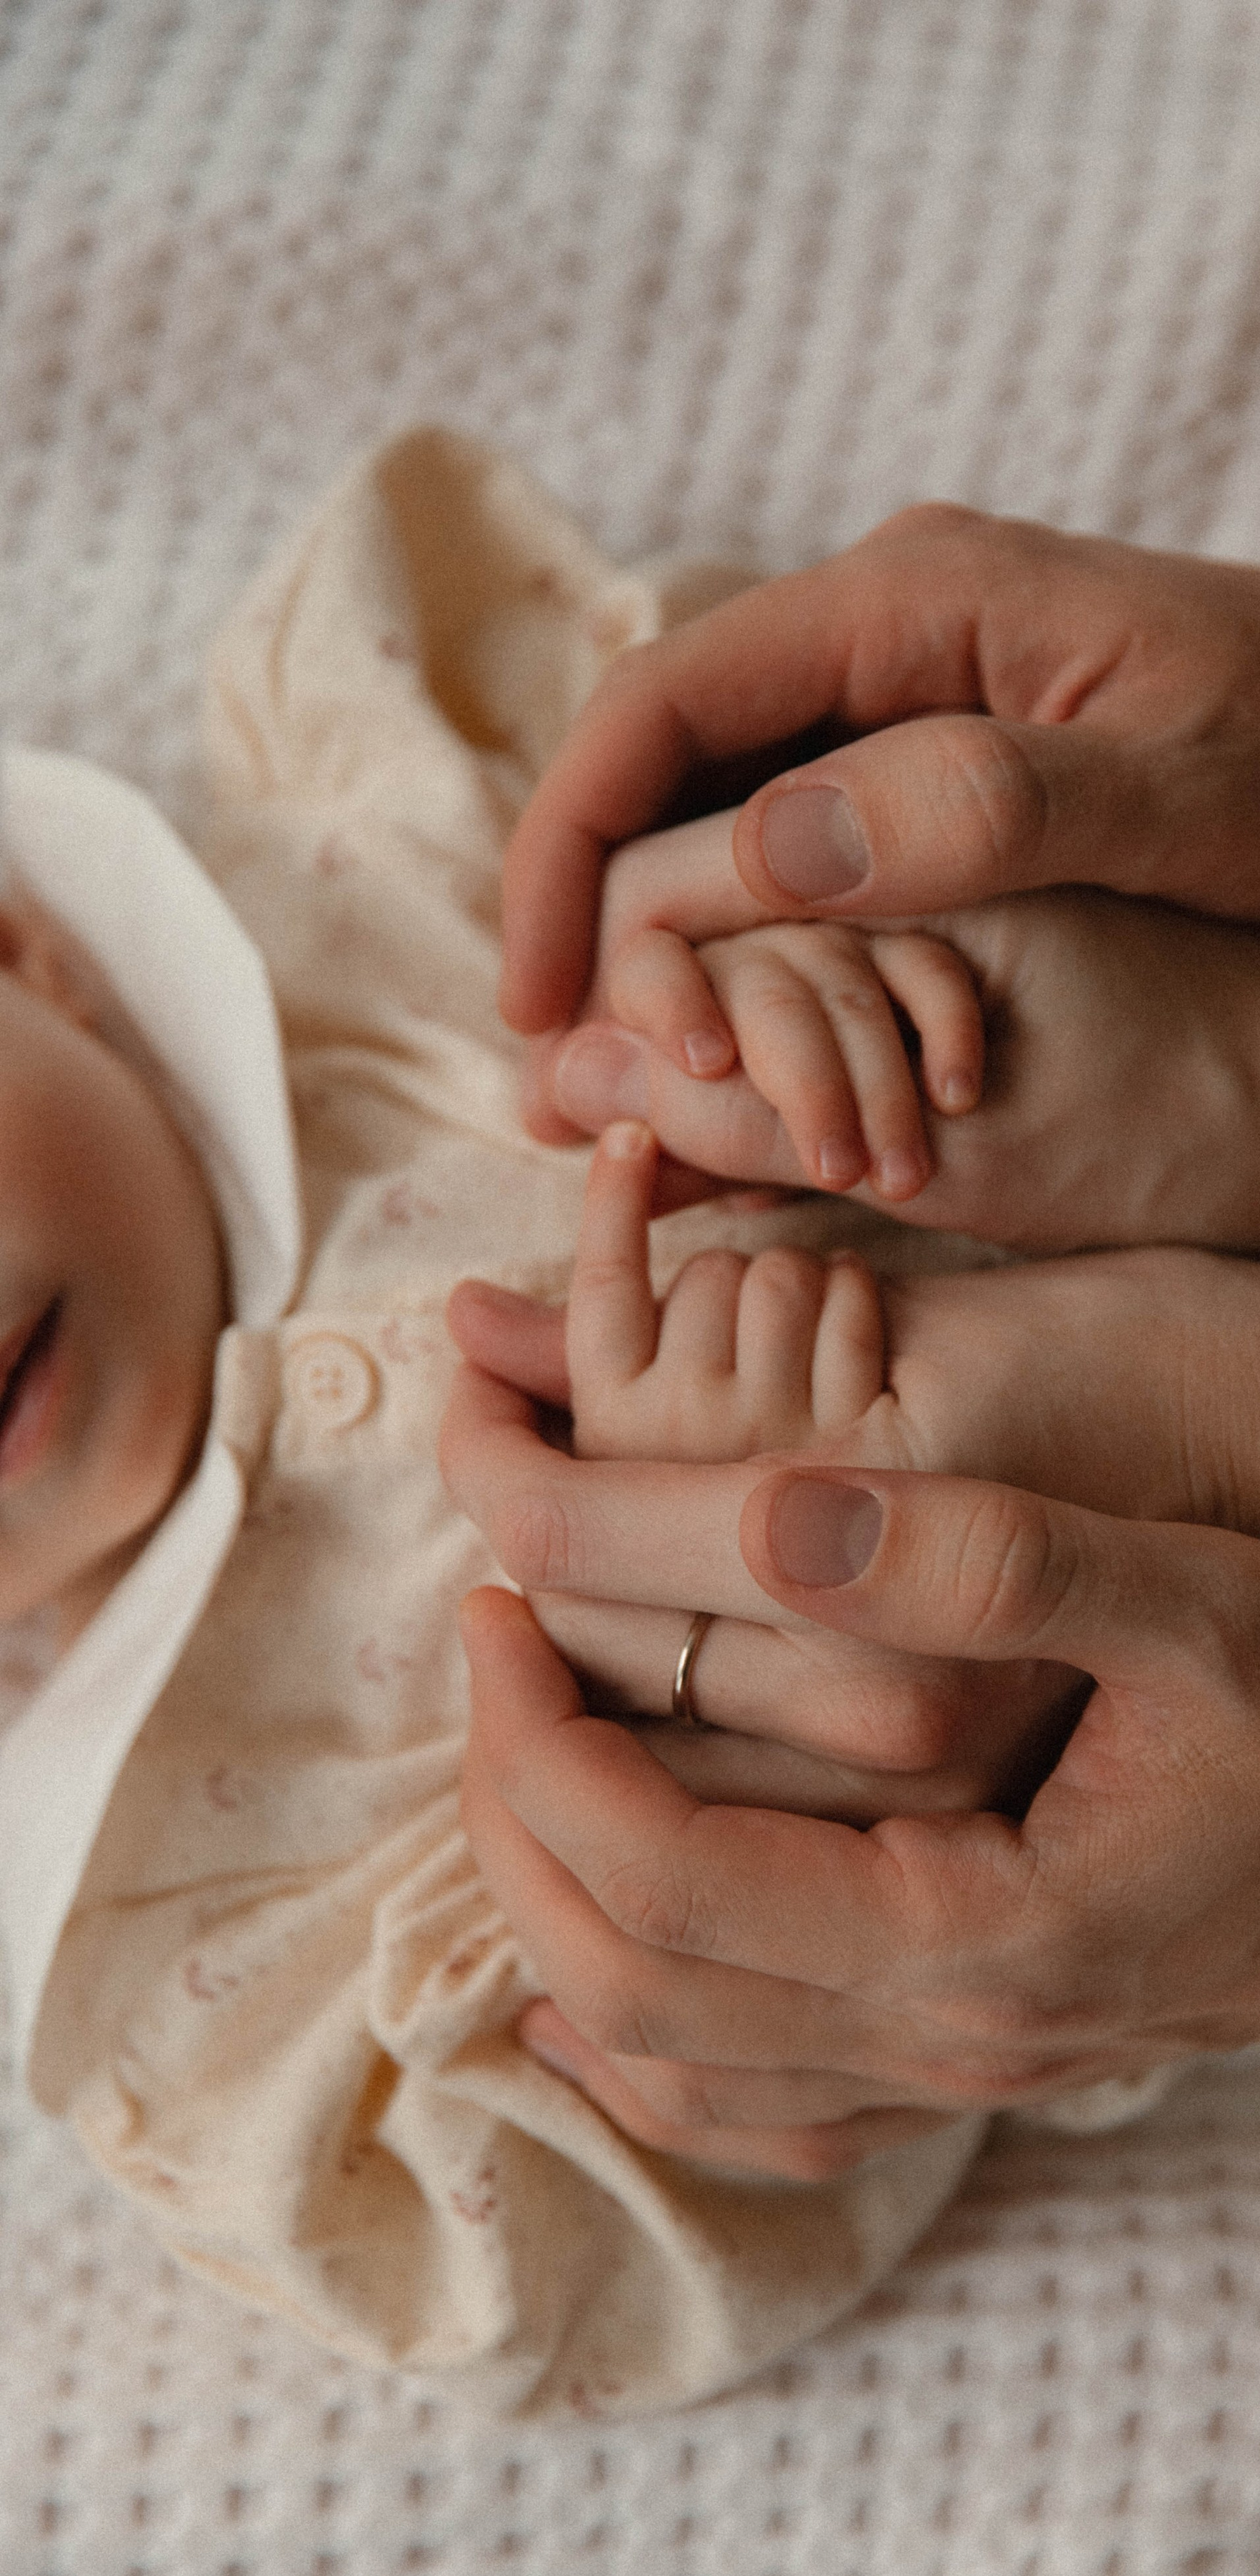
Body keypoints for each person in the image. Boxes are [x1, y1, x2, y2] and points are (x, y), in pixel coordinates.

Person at [438, 0, 1260, 2170]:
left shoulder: (362, 861)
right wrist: (818, 1793)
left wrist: (806, 988)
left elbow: (693, 743)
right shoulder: (162, 1872)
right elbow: (645, 2095)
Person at [0, 427, 1062, 2416]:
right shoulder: (178, 1955)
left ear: (18, 949)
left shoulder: (392, 845)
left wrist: (774, 907)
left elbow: (786, 697)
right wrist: (716, 1761)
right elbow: (622, 2241)